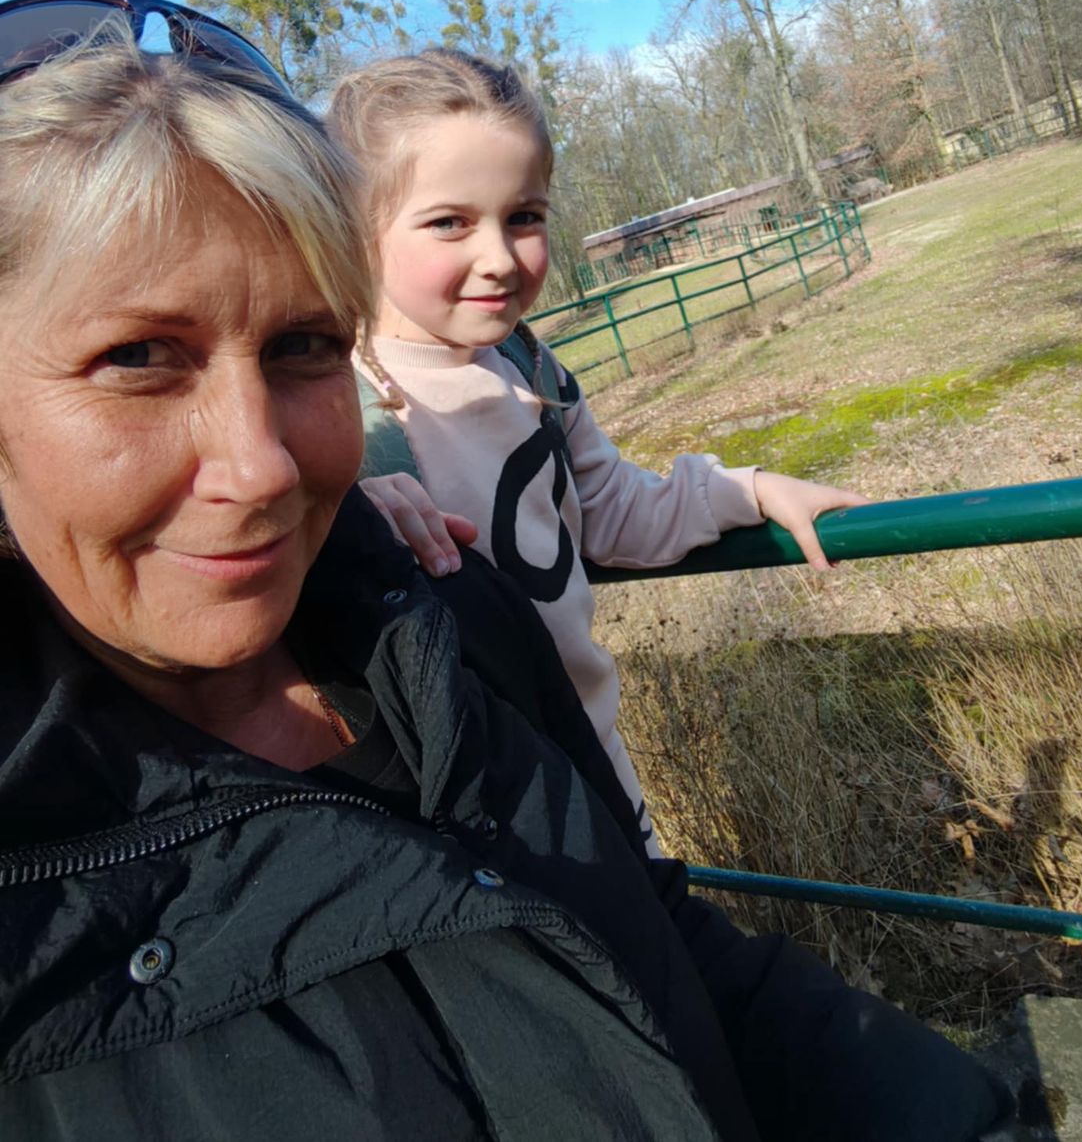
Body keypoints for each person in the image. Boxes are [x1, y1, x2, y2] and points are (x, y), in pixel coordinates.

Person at [0, 0, 1011, 1141]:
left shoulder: (441, 604)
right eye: (137, 356)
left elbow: (654, 951)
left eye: (302, 346)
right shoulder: (388, 456)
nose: (262, 466)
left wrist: (742, 494)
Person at [328, 48, 866, 846]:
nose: (500, 258)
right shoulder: (334, 408)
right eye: (449, 222)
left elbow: (609, 509)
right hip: (471, 826)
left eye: (525, 216)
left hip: (600, 772)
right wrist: (343, 518)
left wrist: (748, 490)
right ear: (354, 228)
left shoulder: (529, 366)